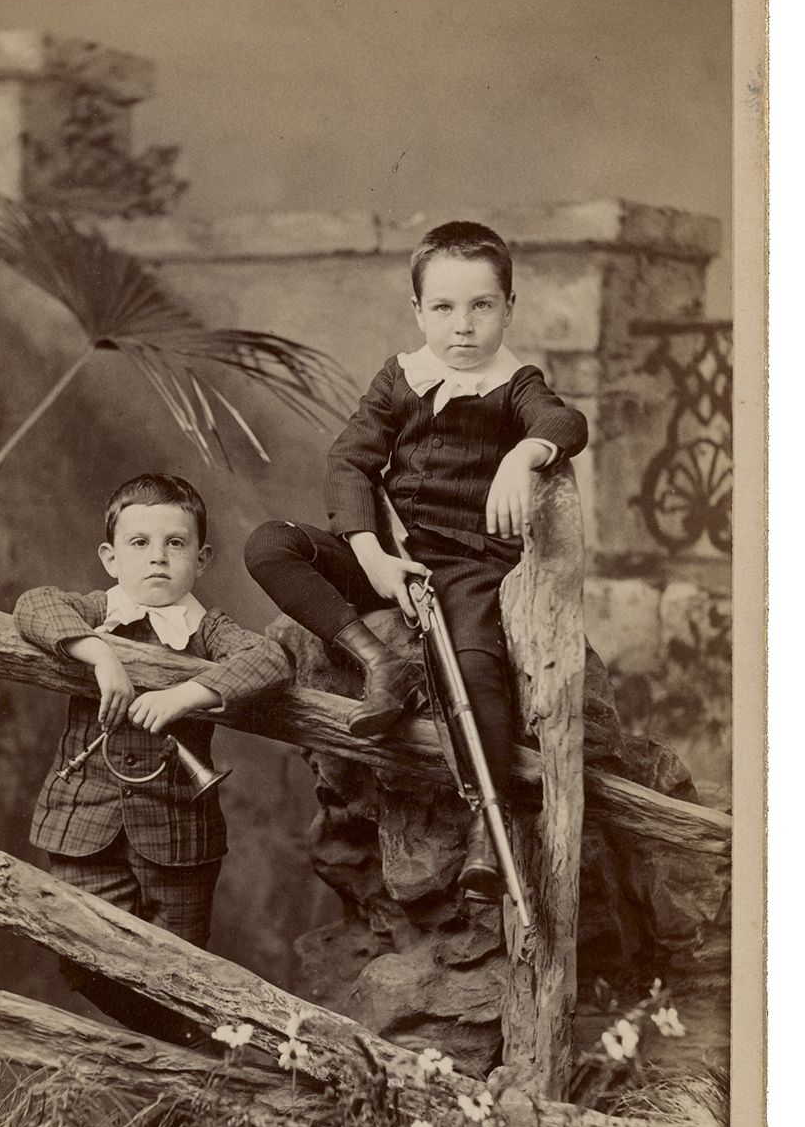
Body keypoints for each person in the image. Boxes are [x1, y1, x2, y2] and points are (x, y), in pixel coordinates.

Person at [244, 221, 587, 902]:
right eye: (443, 308)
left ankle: (491, 830)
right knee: (271, 544)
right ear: (418, 311)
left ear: (509, 308)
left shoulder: (515, 383)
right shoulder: (401, 378)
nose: (463, 327)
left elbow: (565, 423)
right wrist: (370, 557)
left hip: (467, 566)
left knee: (478, 668)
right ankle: (380, 661)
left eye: (482, 306)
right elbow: (349, 460)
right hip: (390, 553)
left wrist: (524, 454)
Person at [15, 473, 291, 1032]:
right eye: (139, 544)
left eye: (176, 543)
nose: (158, 558)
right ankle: (182, 1046)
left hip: (179, 836)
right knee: (85, 956)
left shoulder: (207, 630)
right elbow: (32, 604)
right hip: (83, 826)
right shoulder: (95, 613)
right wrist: (99, 655)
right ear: (110, 557)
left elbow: (271, 660)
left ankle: (182, 1052)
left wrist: (185, 696)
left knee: (180, 973)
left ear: (202, 558)